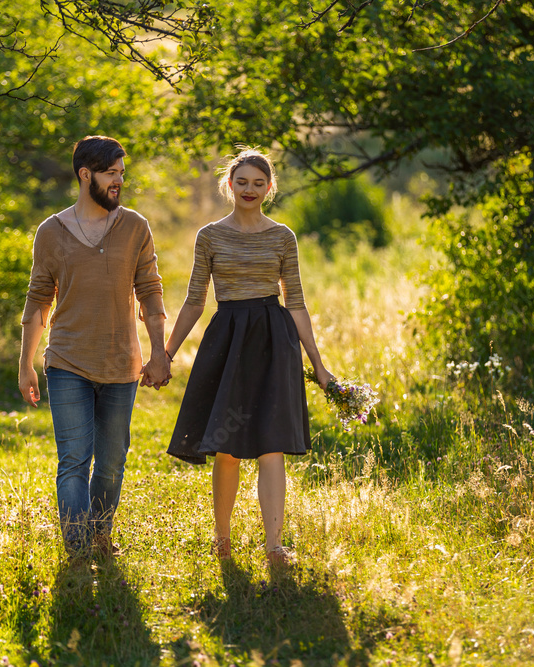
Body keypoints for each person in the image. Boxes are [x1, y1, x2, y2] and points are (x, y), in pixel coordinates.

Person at [163, 146, 334, 567]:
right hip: (228, 340)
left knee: (272, 445)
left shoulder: (282, 237)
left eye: (259, 183)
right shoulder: (210, 236)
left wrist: (318, 363)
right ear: (229, 185)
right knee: (227, 445)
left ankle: (274, 546)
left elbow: (296, 302)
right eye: (242, 182)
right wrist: (166, 352)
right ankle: (223, 538)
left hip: (275, 341)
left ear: (270, 188)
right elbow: (194, 300)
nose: (250, 189)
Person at [18, 135, 171, 563]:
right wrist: (26, 364)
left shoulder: (136, 227)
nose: (119, 181)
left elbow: (151, 293)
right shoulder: (51, 232)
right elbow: (37, 300)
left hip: (122, 363)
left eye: (122, 173)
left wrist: (159, 352)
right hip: (67, 360)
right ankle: (80, 552)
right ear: (86, 175)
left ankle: (100, 536)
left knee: (109, 465)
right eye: (111, 174)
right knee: (73, 461)